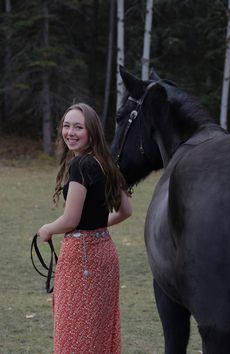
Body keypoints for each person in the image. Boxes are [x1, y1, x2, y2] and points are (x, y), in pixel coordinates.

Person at [38, 103, 132, 354]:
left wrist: (47, 229)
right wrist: (97, 227)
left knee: (75, 335)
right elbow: (125, 211)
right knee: (97, 333)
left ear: (91, 131)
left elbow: (70, 220)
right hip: (105, 256)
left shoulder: (80, 166)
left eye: (78, 127)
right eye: (66, 126)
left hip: (82, 259)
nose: (70, 132)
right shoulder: (107, 162)